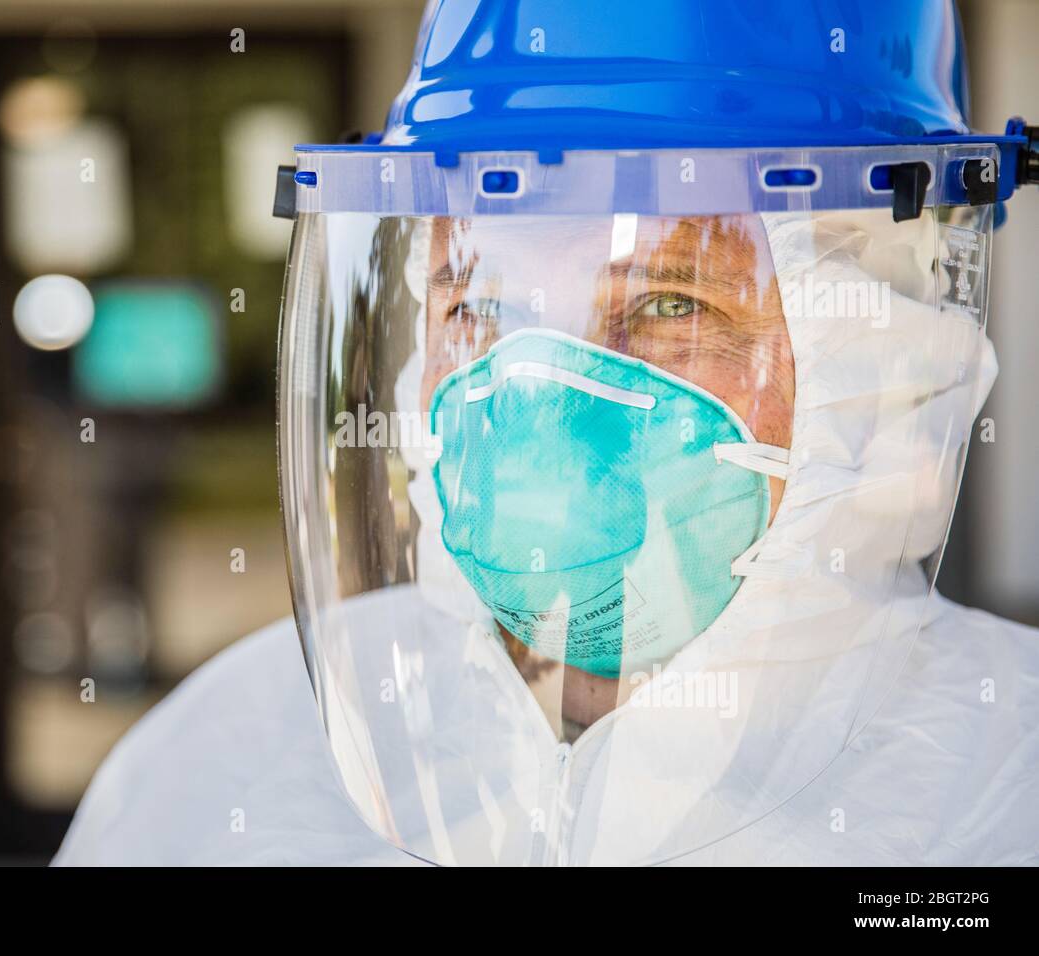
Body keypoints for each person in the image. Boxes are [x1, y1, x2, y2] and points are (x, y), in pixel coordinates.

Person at [56, 0, 1039, 866]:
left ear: (877, 351)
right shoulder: (221, 763)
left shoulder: (997, 796)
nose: (531, 393)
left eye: (663, 301)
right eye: (479, 307)